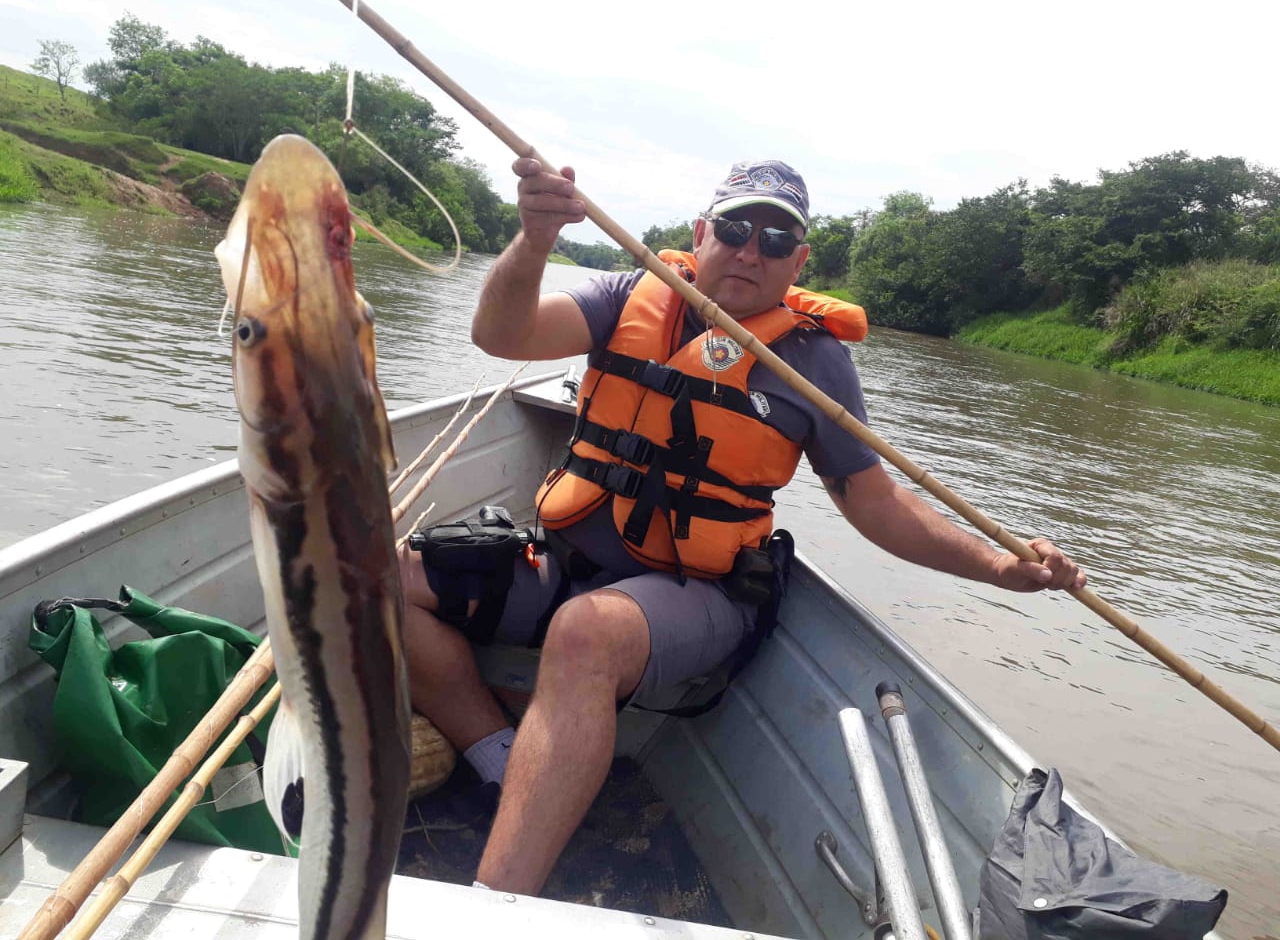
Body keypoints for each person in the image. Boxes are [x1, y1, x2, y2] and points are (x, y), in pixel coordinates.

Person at [398, 157, 1086, 897]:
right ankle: (501, 758)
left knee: (585, 632)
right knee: (379, 576)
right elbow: (500, 334)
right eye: (735, 229)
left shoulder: (813, 361)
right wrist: (535, 240)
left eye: (776, 239)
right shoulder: (626, 295)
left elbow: (875, 503)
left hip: (698, 592)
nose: (751, 251)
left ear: (799, 261)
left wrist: (997, 565)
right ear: (701, 233)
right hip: (566, 563)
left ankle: (497, 904)